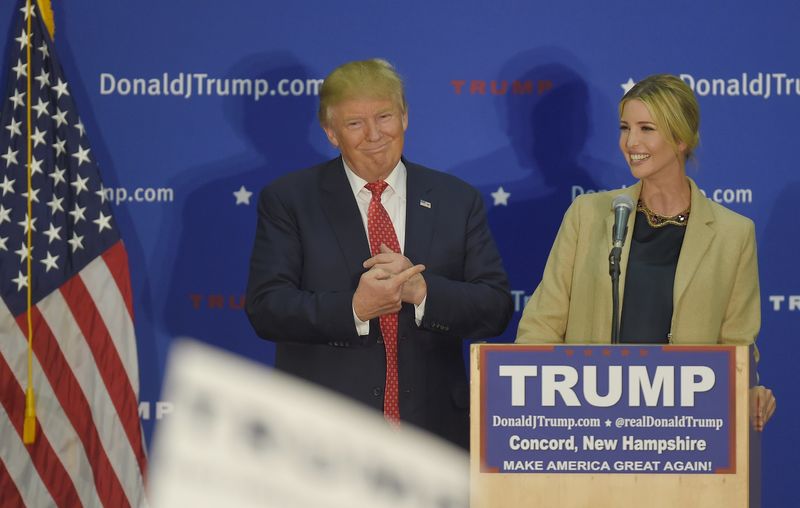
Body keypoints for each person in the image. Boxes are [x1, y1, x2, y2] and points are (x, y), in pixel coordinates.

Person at [245, 58, 513, 448]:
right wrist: (355, 308)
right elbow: (267, 307)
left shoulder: (458, 200)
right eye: (354, 123)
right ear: (331, 132)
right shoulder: (289, 200)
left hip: (433, 436)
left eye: (385, 116)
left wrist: (423, 293)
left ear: (405, 117)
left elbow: (496, 307)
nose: (374, 134)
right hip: (323, 437)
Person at [516, 74, 775, 430]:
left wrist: (751, 391)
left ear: (681, 137)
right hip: (588, 428)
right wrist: (525, 398)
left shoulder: (733, 234)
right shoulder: (588, 215)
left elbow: (738, 347)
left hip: (683, 431)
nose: (630, 142)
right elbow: (542, 324)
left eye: (646, 128)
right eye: (625, 128)